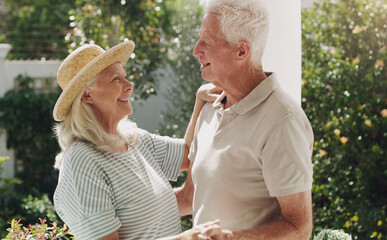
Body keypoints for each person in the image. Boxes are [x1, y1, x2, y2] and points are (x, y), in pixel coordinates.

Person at [52, 41, 232, 240]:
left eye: (125, 77)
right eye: (115, 79)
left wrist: (200, 100)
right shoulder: (82, 162)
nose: (129, 86)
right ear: (87, 95)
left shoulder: (135, 140)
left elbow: (189, 153)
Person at [175, 0, 314, 239]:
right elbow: (189, 198)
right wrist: (117, 212)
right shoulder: (210, 109)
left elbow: (299, 227)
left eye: (207, 41)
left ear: (241, 51)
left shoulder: (283, 121)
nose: (196, 50)